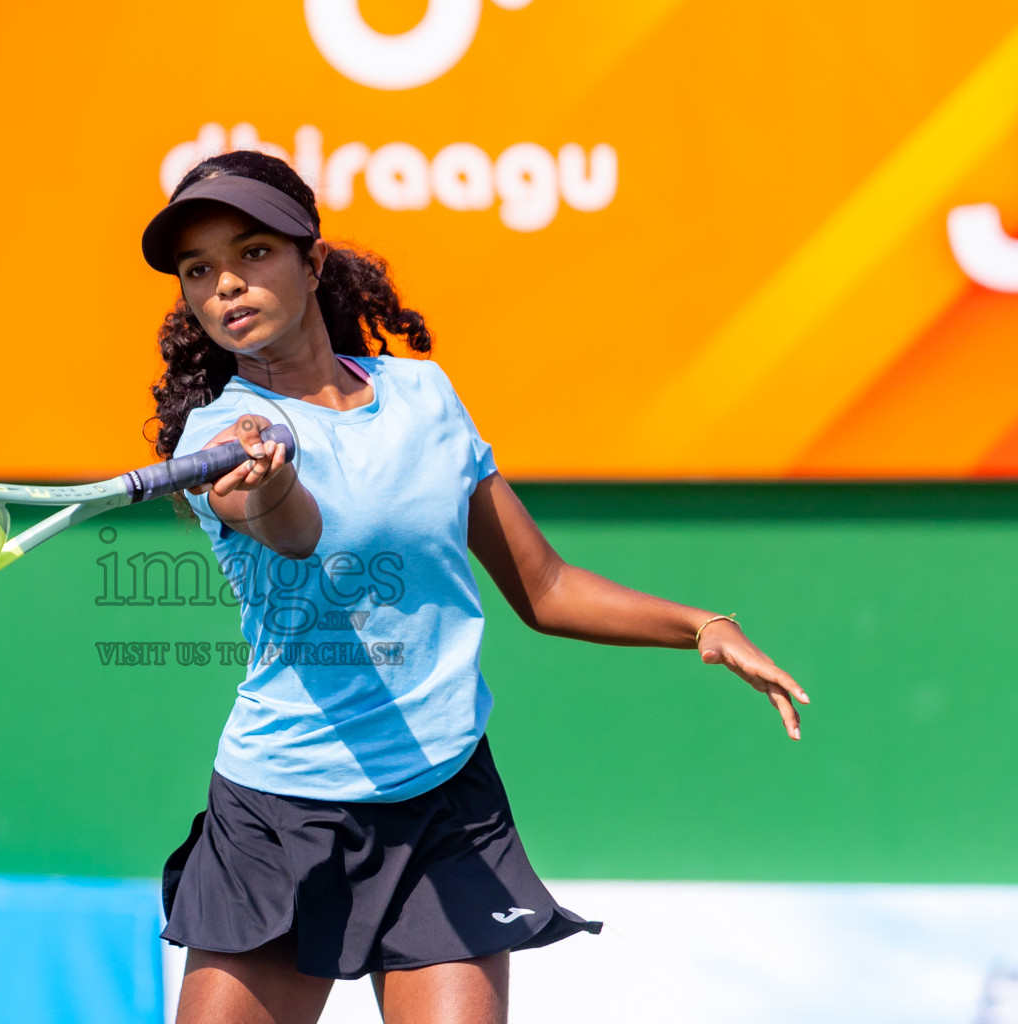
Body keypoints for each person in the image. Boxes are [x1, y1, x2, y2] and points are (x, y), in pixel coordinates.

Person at [141, 150, 808, 1024]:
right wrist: (265, 480)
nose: (225, 283)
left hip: (443, 798)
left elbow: (546, 585)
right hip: (282, 812)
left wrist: (700, 627)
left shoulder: (423, 396)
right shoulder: (225, 435)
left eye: (253, 252)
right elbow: (293, 534)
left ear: (311, 262)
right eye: (199, 271)